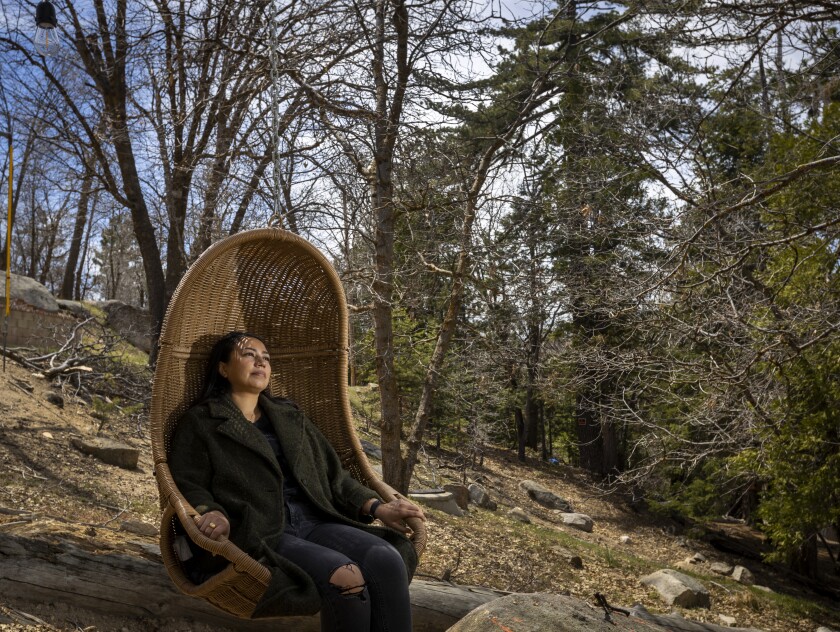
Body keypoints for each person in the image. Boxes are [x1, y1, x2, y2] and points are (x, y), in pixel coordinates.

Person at [169, 331, 424, 630]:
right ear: (223, 368)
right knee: (346, 576)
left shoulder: (291, 417)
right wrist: (211, 511)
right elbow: (188, 481)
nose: (260, 362)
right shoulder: (202, 421)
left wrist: (377, 508)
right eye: (249, 354)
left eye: (266, 358)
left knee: (388, 559)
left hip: (316, 520)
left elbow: (334, 476)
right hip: (261, 529)